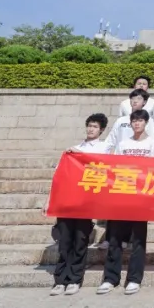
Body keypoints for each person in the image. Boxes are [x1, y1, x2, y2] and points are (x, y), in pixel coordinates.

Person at [97, 109, 154, 295]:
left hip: (141, 198)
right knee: (115, 238)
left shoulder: (152, 144)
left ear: (146, 123)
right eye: (134, 121)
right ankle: (110, 278)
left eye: (140, 121)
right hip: (122, 195)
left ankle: (134, 279)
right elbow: (115, 168)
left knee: (138, 240)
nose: (137, 124)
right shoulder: (123, 143)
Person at [51, 113, 108, 296]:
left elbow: (105, 171)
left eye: (95, 127)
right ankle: (60, 280)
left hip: (86, 202)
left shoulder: (103, 148)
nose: (91, 129)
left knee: (80, 240)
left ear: (101, 130)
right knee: (65, 241)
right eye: (89, 125)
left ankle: (75, 279)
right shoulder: (74, 149)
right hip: (68, 201)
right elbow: (59, 177)